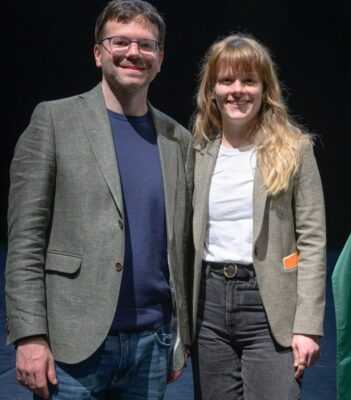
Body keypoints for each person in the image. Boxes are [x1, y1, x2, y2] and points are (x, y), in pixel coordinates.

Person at [4, 0, 191, 398]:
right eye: (120, 41)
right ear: (98, 53)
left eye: (147, 45)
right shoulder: (53, 121)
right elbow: (25, 241)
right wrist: (29, 335)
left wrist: (180, 337)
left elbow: (182, 248)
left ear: (160, 58)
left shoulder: (178, 140)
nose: (133, 53)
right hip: (73, 347)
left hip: (152, 345)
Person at [189, 34, 326, 400]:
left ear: (265, 88)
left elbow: (313, 241)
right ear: (212, 90)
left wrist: (308, 326)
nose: (238, 90)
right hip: (209, 307)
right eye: (226, 80)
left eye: (249, 81)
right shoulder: (197, 151)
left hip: (269, 306)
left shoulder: (295, 149)